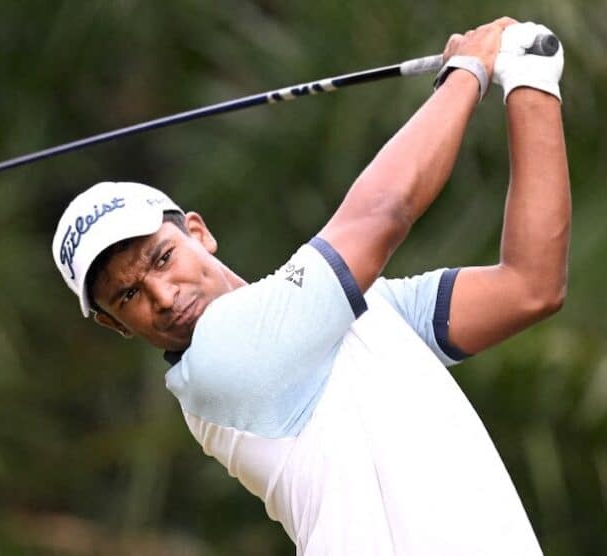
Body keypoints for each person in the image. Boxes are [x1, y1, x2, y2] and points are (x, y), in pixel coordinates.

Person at [52, 17, 569, 555]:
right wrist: (468, 71)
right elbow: (381, 215)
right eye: (128, 296)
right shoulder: (218, 361)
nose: (162, 296)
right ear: (114, 324)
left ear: (199, 234)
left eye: (162, 258)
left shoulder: (362, 313)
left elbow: (530, 287)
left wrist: (531, 80)